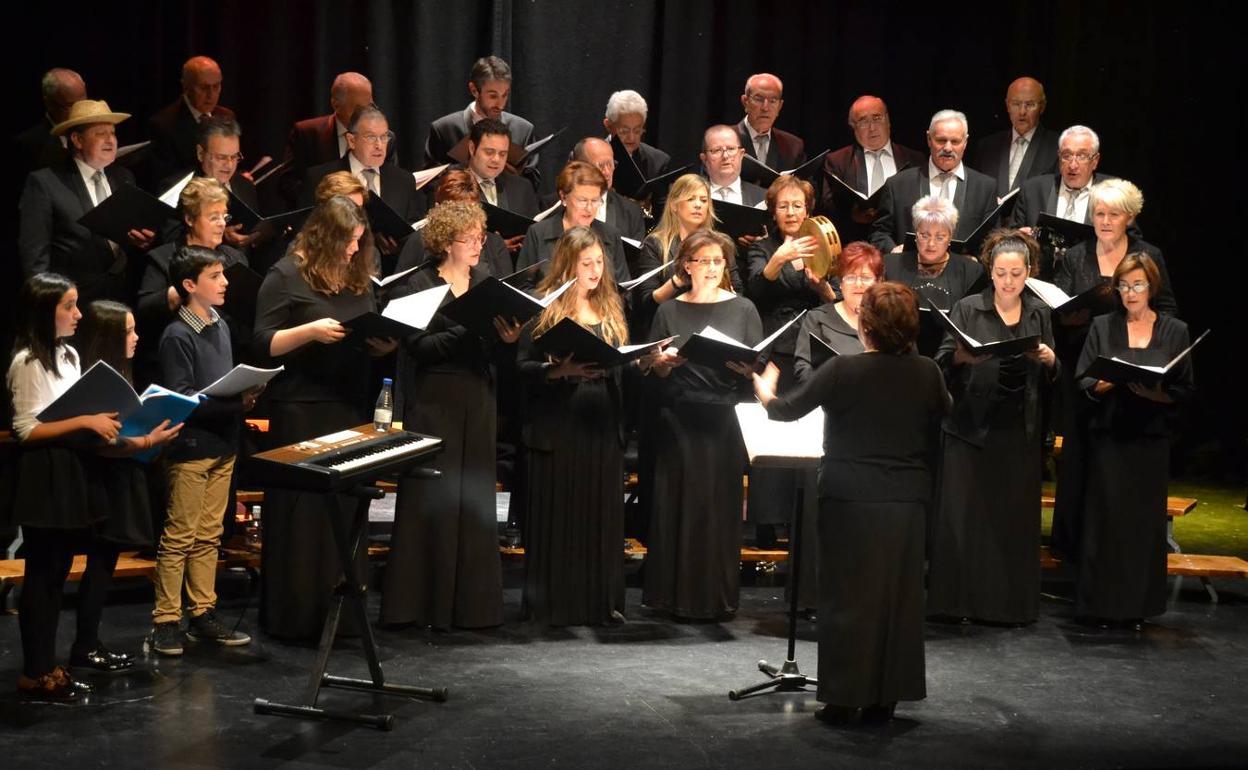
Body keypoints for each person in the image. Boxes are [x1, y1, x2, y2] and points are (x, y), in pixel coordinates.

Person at [752, 281, 949, 725]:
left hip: (850, 499)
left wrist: (764, 389)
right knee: (897, 600)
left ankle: (843, 698)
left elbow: (786, 409)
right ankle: (886, 698)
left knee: (847, 598)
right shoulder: (928, 372)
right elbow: (944, 409)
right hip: (905, 502)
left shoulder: (844, 369)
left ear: (867, 326)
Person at [5, 274, 178, 699]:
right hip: (44, 473)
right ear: (46, 311)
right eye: (69, 306)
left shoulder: (67, 356)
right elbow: (27, 429)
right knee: (42, 575)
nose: (78, 314)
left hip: (70, 469)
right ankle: (36, 672)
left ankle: (49, 667)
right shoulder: (28, 360)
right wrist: (85, 420)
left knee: (57, 573)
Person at [252, 196, 394, 641]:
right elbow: (261, 343)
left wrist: (384, 346)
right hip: (301, 408)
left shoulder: (357, 277)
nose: (354, 251)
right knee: (303, 515)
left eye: (358, 243)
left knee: (345, 514)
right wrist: (310, 331)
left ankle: (344, 620)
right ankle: (296, 617)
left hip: (347, 405)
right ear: (325, 238)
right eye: (348, 243)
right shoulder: (285, 274)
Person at [379, 201, 522, 630]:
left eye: (481, 236)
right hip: (434, 399)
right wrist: (465, 329)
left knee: (473, 498)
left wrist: (508, 339)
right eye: (470, 238)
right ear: (445, 242)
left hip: (478, 397)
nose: (479, 244)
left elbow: (498, 351)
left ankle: (472, 606)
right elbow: (417, 348)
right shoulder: (419, 285)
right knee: (432, 496)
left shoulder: (486, 283)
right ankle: (420, 604)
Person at [928, 230, 1058, 625]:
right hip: (971, 427)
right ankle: (958, 604)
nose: (1007, 282)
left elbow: (1052, 374)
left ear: (1028, 272)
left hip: (1018, 428)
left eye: (1016, 274)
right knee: (966, 518)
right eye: (1001, 273)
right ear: (990, 270)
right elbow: (941, 362)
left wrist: (1052, 361)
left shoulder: (1039, 312)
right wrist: (963, 359)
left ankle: (1007, 607)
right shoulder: (969, 308)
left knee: (1011, 521)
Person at [1050, 178, 1178, 561]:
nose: (1104, 221)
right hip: (1085, 370)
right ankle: (1074, 550)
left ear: (1131, 217)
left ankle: (1120, 549)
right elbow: (1058, 308)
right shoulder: (1076, 256)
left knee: (1121, 462)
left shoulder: (1147, 254)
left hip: (1133, 371)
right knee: (1078, 460)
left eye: (1113, 214)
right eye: (1098, 214)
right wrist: (1070, 317)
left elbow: (1168, 309)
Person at [643, 230, 762, 620]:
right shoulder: (669, 311)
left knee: (715, 508)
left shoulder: (743, 308)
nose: (711, 269)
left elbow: (755, 365)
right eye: (703, 261)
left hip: (722, 419)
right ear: (686, 265)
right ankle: (669, 596)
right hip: (678, 417)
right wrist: (659, 366)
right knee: (676, 504)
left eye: (717, 262)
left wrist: (749, 371)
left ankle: (714, 597)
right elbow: (650, 368)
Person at [515, 226, 629, 625]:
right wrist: (557, 370)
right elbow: (522, 368)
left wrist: (642, 362)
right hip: (560, 421)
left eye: (599, 262)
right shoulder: (545, 311)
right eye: (587, 264)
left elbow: (618, 363)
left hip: (601, 420)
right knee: (563, 511)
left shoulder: (612, 308)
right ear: (568, 265)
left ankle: (599, 603)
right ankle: (556, 603)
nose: (596, 270)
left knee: (598, 512)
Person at [1075, 253, 1194, 628]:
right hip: (1111, 436)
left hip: (1150, 439)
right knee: (1106, 521)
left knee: (1142, 525)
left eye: (1138, 285)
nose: (1130, 293)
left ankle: (1138, 606)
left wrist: (1154, 395)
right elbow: (1084, 379)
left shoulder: (1175, 330)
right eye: (1124, 286)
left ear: (1151, 287)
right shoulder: (1102, 326)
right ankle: (1102, 605)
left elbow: (1185, 390)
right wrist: (1109, 381)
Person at [150, 247, 258, 655]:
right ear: (190, 285)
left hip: (223, 444)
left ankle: (201, 613)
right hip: (192, 447)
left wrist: (242, 396)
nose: (225, 282)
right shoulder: (178, 335)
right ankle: (165, 619)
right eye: (215, 276)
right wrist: (236, 403)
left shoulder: (221, 325)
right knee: (180, 535)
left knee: (210, 535)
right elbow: (182, 398)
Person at [743, 174, 834, 548]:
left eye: (798, 205)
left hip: (811, 349)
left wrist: (820, 286)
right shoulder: (762, 248)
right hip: (776, 349)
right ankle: (766, 521)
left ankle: (801, 520)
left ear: (807, 210)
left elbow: (832, 300)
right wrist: (777, 261)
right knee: (774, 431)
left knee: (807, 434)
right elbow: (754, 292)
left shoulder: (821, 244)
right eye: (784, 206)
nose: (792, 211)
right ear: (773, 211)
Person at [18, 99, 156, 305]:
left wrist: (141, 241)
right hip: (73, 303)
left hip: (120, 301)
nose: (110, 140)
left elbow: (124, 244)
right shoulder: (45, 183)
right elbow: (35, 258)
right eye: (100, 134)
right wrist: (46, 307)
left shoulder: (124, 177)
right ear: (77, 139)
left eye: (113, 133)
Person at [136, 176, 249, 383]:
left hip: (222, 358)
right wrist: (185, 289)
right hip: (177, 361)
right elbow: (145, 310)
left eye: (224, 216)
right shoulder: (163, 257)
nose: (222, 224)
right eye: (214, 217)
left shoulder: (235, 258)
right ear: (189, 219)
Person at [299, 103, 424, 271]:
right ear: (351, 140)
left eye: (384, 137)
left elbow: (413, 228)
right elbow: (307, 229)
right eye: (371, 137)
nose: (379, 145)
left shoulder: (403, 180)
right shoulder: (319, 177)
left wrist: (401, 245)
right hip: (333, 272)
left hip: (389, 273)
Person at [869, 109, 998, 255]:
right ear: (929, 139)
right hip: (909, 274)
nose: (948, 148)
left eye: (955, 141)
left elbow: (992, 240)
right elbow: (879, 233)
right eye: (941, 140)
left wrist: (977, 261)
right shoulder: (897, 185)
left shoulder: (986, 188)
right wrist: (892, 250)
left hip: (964, 275)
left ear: (965, 142)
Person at [883, 195, 986, 356]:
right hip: (898, 355)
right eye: (925, 235)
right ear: (915, 235)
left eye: (940, 237)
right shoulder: (891, 264)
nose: (931, 244)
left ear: (950, 237)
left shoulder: (972, 271)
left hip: (952, 358)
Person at [815, 95, 925, 241]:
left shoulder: (914, 159)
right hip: (857, 244)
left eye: (877, 118)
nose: (872, 128)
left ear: (888, 120)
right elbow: (827, 208)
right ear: (853, 127)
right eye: (863, 121)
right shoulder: (837, 161)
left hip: (903, 245)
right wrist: (852, 215)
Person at [513, 161, 631, 291]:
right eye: (583, 200)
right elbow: (522, 288)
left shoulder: (610, 235)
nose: (590, 208)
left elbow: (623, 290)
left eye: (595, 201)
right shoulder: (538, 233)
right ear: (563, 197)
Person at [423, 56, 538, 185]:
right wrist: (465, 169)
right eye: (493, 96)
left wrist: (516, 175)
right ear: (474, 90)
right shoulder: (445, 129)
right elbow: (429, 182)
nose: (500, 104)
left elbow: (533, 185)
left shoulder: (523, 130)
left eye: (505, 95)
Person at [393, 169, 512, 283]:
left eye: (470, 210)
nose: (465, 218)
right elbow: (400, 289)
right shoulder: (419, 241)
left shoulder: (494, 243)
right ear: (438, 210)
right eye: (456, 212)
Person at [281, 71, 377, 205]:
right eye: (358, 108)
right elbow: (289, 185)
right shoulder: (307, 134)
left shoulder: (383, 138)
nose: (365, 114)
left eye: (369, 106)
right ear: (336, 105)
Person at [794, 241, 883, 383]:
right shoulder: (817, 318)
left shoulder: (890, 319)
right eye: (850, 277)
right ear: (841, 283)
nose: (858, 284)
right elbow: (803, 369)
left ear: (878, 282)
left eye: (866, 278)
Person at [146, 56, 237, 188]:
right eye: (204, 87)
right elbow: (164, 182)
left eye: (216, 86)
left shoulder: (226, 116)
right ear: (186, 86)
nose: (211, 95)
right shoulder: (163, 125)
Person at [457, 117, 539, 253]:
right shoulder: (453, 185)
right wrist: (496, 247)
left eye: (503, 154)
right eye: (489, 152)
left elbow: (534, 235)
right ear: (472, 148)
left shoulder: (522, 187)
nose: (496, 160)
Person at [968, 77, 1059, 197]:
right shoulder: (987, 147)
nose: (1022, 112)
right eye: (1016, 104)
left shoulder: (1058, 147)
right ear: (1007, 106)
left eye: (1030, 104)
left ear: (1042, 107)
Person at [14, 68, 86, 178]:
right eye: (70, 105)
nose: (79, 111)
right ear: (49, 103)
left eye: (83, 103)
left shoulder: (93, 130)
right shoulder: (28, 144)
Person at [571, 137, 647, 241]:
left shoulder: (631, 213)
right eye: (601, 165)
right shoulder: (554, 207)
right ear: (580, 166)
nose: (607, 172)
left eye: (610, 164)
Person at [736, 73, 806, 183]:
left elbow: (805, 187)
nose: (765, 108)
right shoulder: (723, 139)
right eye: (758, 99)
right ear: (745, 102)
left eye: (773, 101)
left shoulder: (793, 146)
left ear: (780, 106)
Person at [603, 89, 670, 180]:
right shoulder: (589, 158)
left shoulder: (658, 162)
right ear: (608, 125)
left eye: (637, 131)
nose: (631, 138)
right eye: (624, 131)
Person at [700, 124, 766, 207]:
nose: (725, 156)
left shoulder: (763, 198)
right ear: (704, 159)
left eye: (731, 149)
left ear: (741, 154)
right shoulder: (688, 195)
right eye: (716, 150)